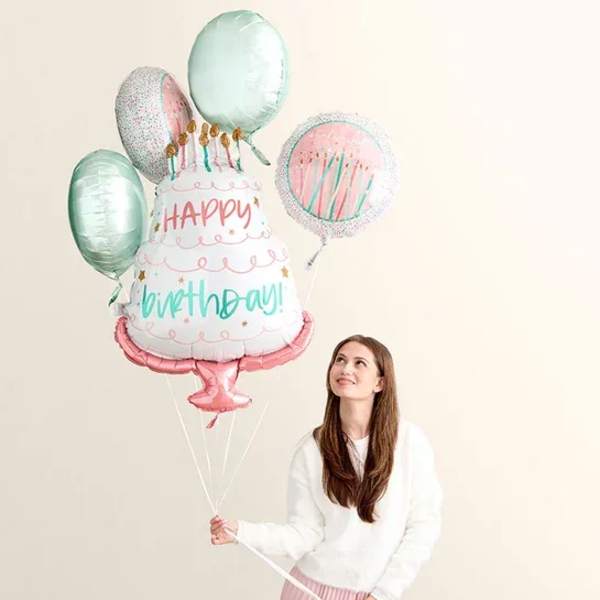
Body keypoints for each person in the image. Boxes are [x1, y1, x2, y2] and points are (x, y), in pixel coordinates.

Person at [209, 335, 443, 600]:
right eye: (340, 360)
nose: (345, 368)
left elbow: (424, 526)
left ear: (380, 382)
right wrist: (240, 532)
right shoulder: (312, 449)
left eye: (359, 363)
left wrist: (384, 593)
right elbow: (304, 534)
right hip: (309, 590)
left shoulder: (410, 442)